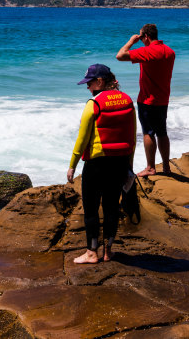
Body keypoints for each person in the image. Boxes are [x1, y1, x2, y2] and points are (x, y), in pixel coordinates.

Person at [67, 64, 136, 264]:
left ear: (100, 82)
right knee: (111, 207)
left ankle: (91, 253)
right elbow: (132, 137)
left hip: (97, 164)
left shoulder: (94, 103)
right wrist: (129, 166)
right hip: (120, 162)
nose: (87, 88)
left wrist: (72, 165)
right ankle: (108, 251)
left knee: (91, 208)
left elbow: (82, 140)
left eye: (89, 83)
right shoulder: (127, 100)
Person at [116, 24, 175, 177]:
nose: (141, 40)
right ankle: (167, 167)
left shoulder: (147, 51)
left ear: (146, 37)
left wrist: (131, 42)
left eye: (142, 38)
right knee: (162, 132)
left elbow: (120, 55)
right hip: (163, 98)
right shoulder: (170, 52)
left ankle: (150, 167)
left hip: (148, 99)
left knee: (148, 132)